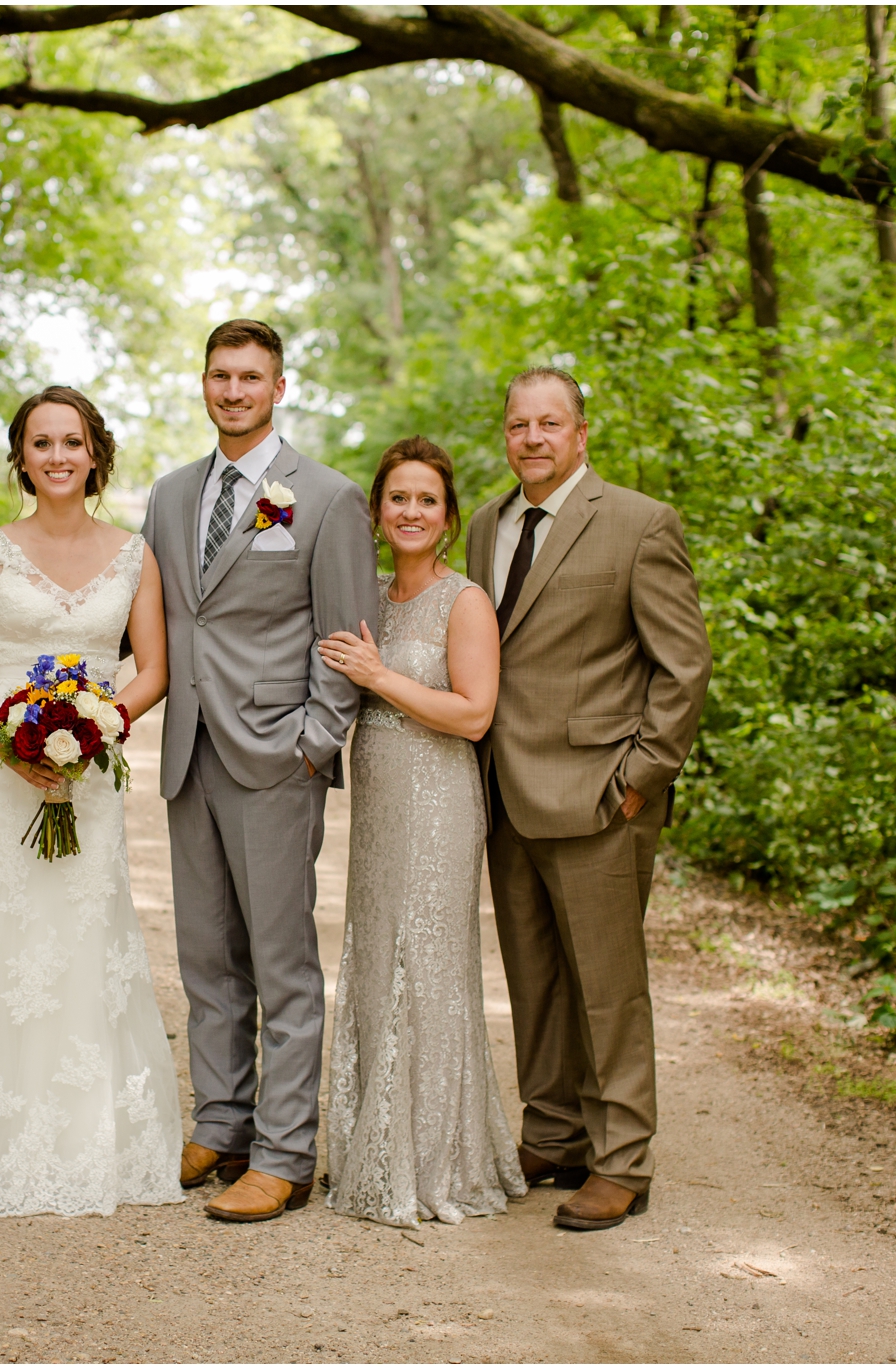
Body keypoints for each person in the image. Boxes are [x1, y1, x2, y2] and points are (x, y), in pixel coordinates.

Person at [0, 385, 182, 1218]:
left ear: (95, 453)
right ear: (22, 457)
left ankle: (87, 1134)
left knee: (81, 938)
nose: (59, 456)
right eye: (42, 443)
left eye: (73, 442)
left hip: (88, 774)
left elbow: (153, 668)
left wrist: (101, 723)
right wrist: (7, 741)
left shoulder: (136, 554)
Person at [463, 367, 711, 1231]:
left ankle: (623, 1159)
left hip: (602, 793)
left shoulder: (641, 524)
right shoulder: (487, 524)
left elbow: (683, 666)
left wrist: (641, 778)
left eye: (549, 423)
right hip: (504, 790)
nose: (532, 438)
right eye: (518, 424)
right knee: (533, 979)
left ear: (580, 433)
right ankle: (556, 1131)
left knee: (608, 987)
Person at [141, 319, 377, 1223]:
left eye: (250, 377)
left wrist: (315, 741)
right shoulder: (168, 497)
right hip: (189, 751)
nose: (232, 391)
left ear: (278, 387)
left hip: (278, 754)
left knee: (282, 964)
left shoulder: (322, 498)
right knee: (206, 956)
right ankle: (224, 1120)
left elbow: (347, 633)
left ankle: (285, 1152)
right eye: (219, 376)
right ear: (203, 384)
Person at [315, 437, 526, 1228]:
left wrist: (381, 678)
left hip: (439, 798)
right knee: (374, 958)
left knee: (427, 962)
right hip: (377, 800)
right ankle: (373, 1152)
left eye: (426, 500)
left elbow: (473, 714)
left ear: (447, 516)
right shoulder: (367, 595)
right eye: (397, 498)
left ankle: (436, 1160)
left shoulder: (462, 599)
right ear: (376, 510)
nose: (410, 512)